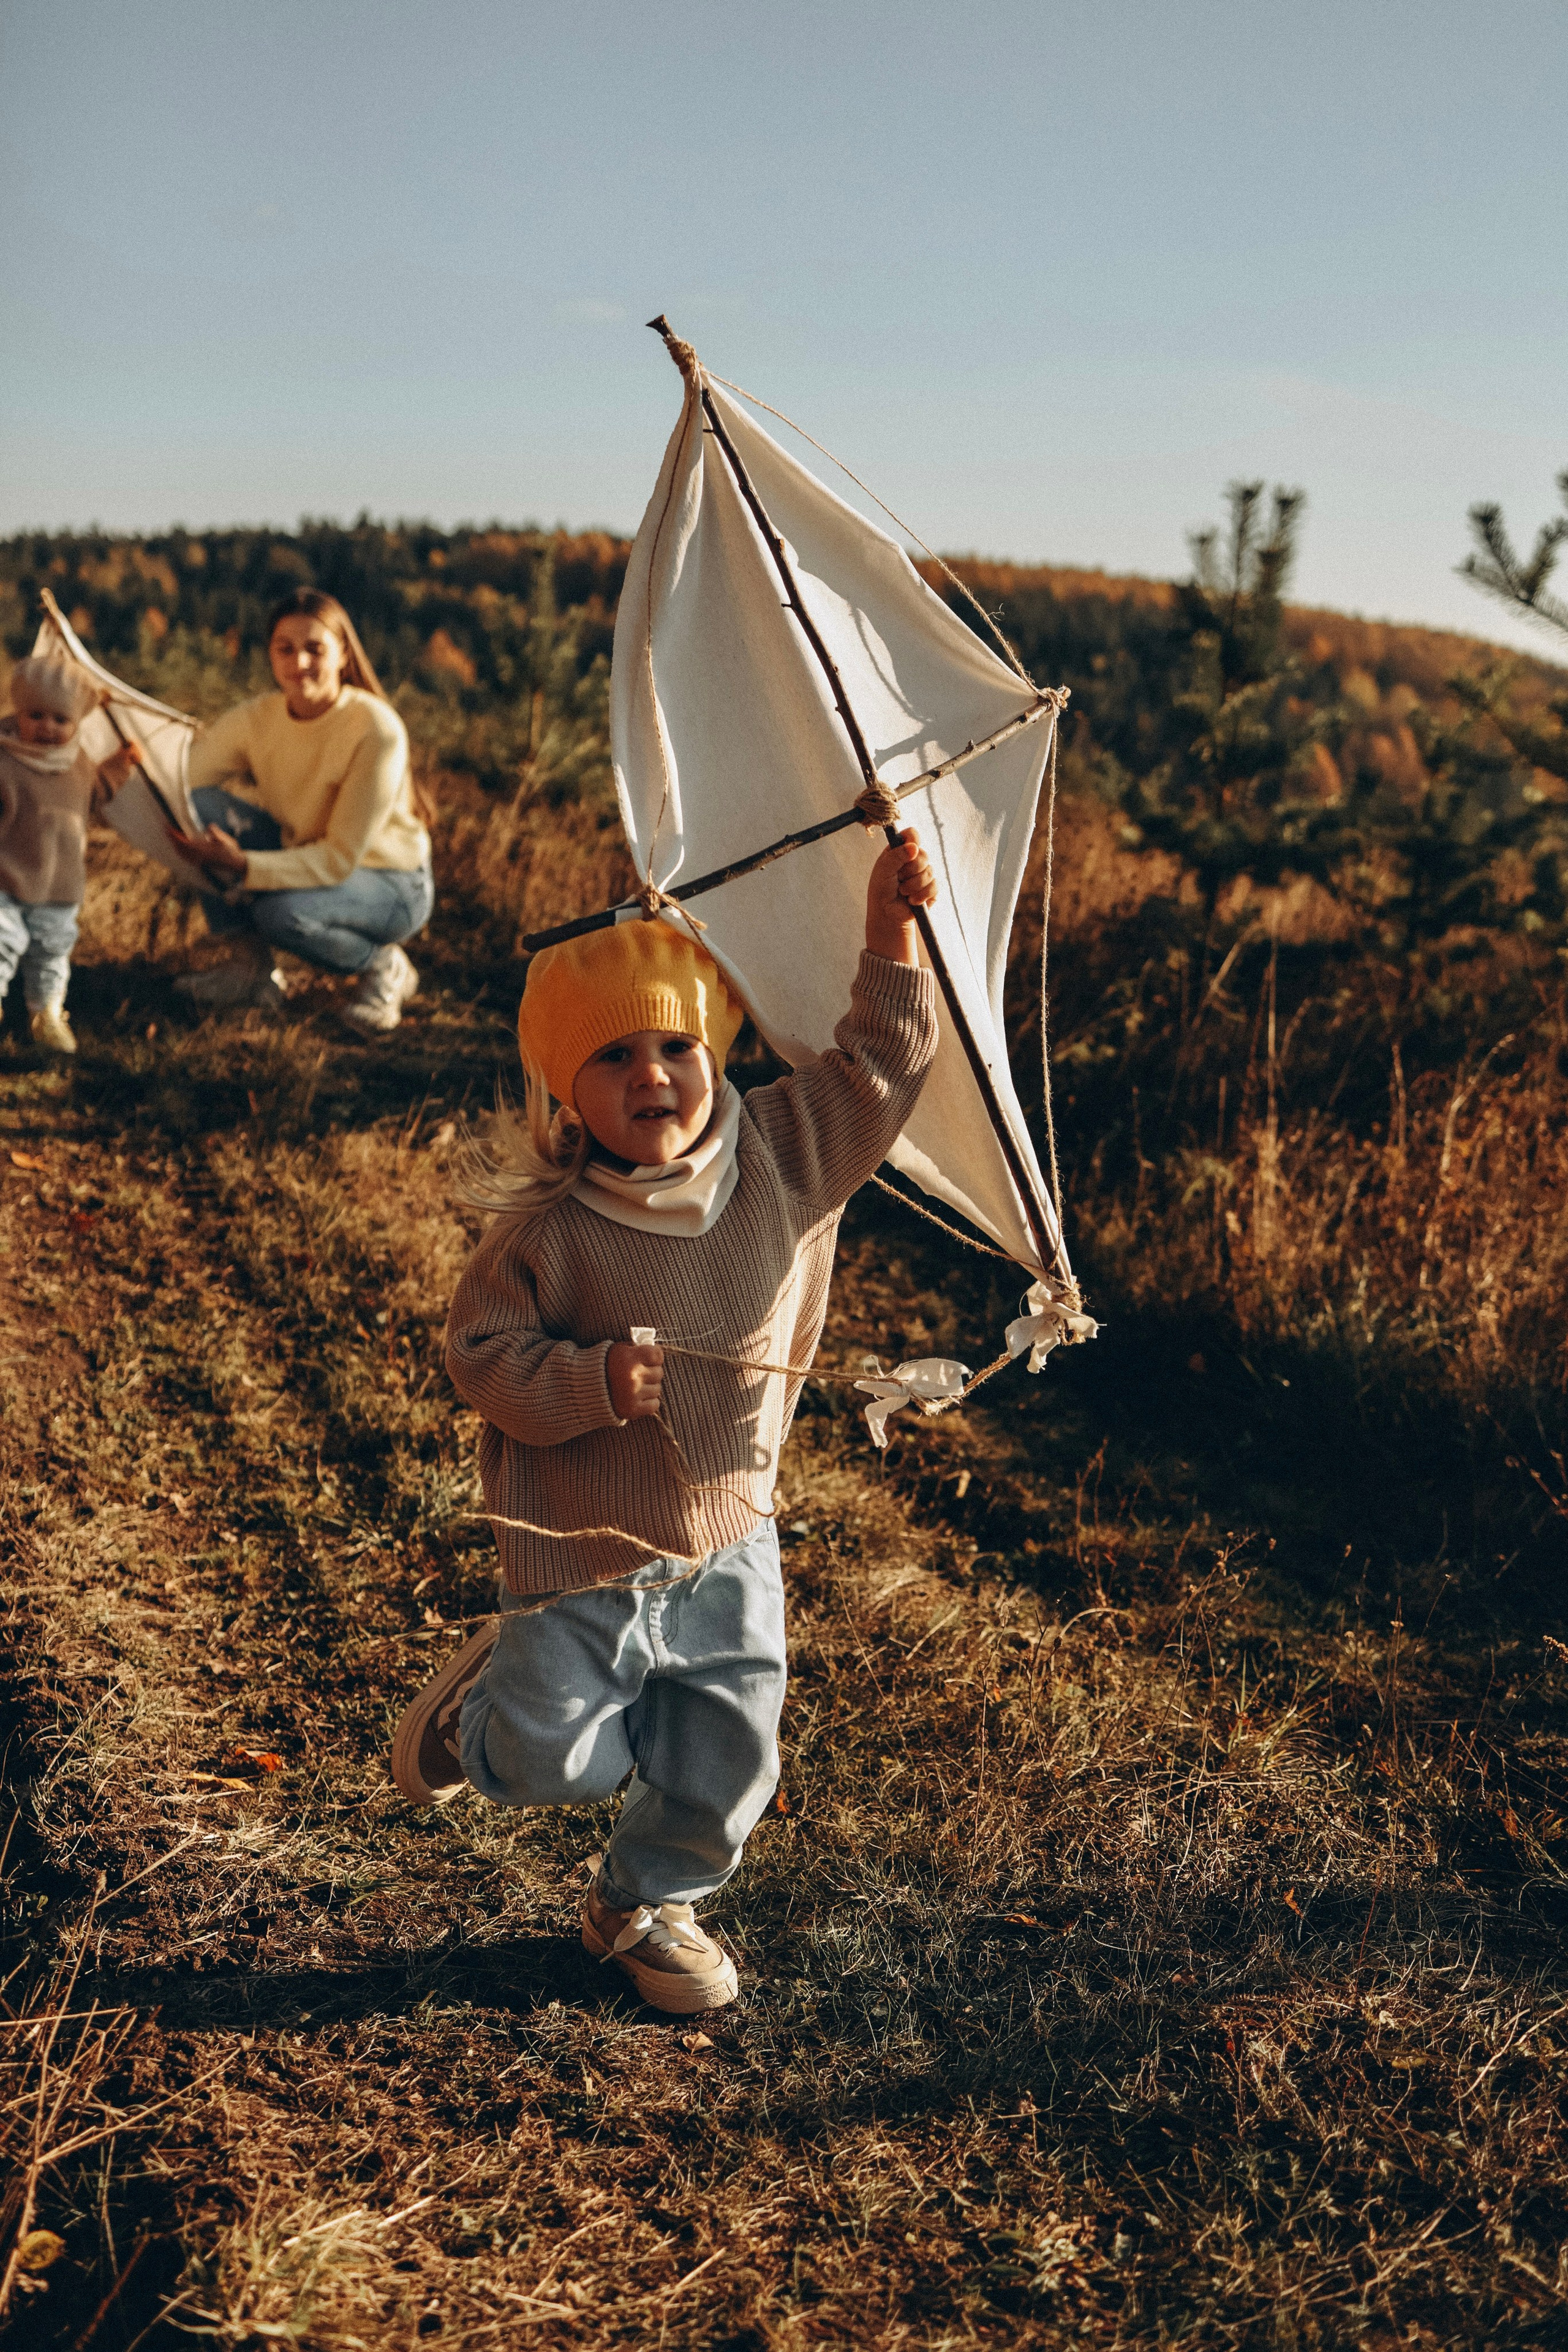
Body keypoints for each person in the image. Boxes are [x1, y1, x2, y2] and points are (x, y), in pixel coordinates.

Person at [390, 830, 940, 2013]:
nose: (653, 1076)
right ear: (567, 1089)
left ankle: (642, 1905)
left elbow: (882, 1068)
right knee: (553, 1762)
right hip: (582, 1551)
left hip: (728, 1537)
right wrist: (589, 1381)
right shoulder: (549, 1226)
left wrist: (889, 932)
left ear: (714, 1050)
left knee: (729, 1754)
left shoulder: (784, 1151)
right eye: (615, 1056)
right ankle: (487, 1716)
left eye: (677, 1046)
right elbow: (480, 1354)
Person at [173, 587, 433, 1033]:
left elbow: (340, 857)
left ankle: (383, 966)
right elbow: (183, 778)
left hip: (389, 882)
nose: (300, 663)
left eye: (315, 649)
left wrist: (244, 864)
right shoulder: (258, 719)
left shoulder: (375, 729)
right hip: (307, 855)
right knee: (195, 806)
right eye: (285, 649)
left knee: (281, 914)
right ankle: (250, 970)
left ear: (343, 654)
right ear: (271, 656)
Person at [0, 656, 136, 1055]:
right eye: (36, 715)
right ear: (18, 713)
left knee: (52, 951)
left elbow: (97, 791)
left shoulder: (77, 763)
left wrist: (123, 763)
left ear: (77, 723)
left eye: (61, 719)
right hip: (5, 879)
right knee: (1, 942)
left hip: (59, 885)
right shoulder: (5, 761)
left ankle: (47, 1014)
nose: (47, 727)